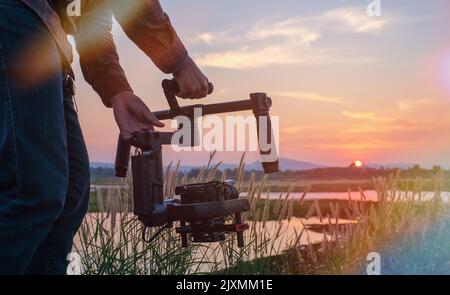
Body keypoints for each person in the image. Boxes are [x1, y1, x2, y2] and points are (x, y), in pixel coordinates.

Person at [0, 0, 210, 274]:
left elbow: (91, 21)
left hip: (51, 39)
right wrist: (178, 60)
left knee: (69, 197)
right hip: (18, 17)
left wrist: (118, 91)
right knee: (32, 190)